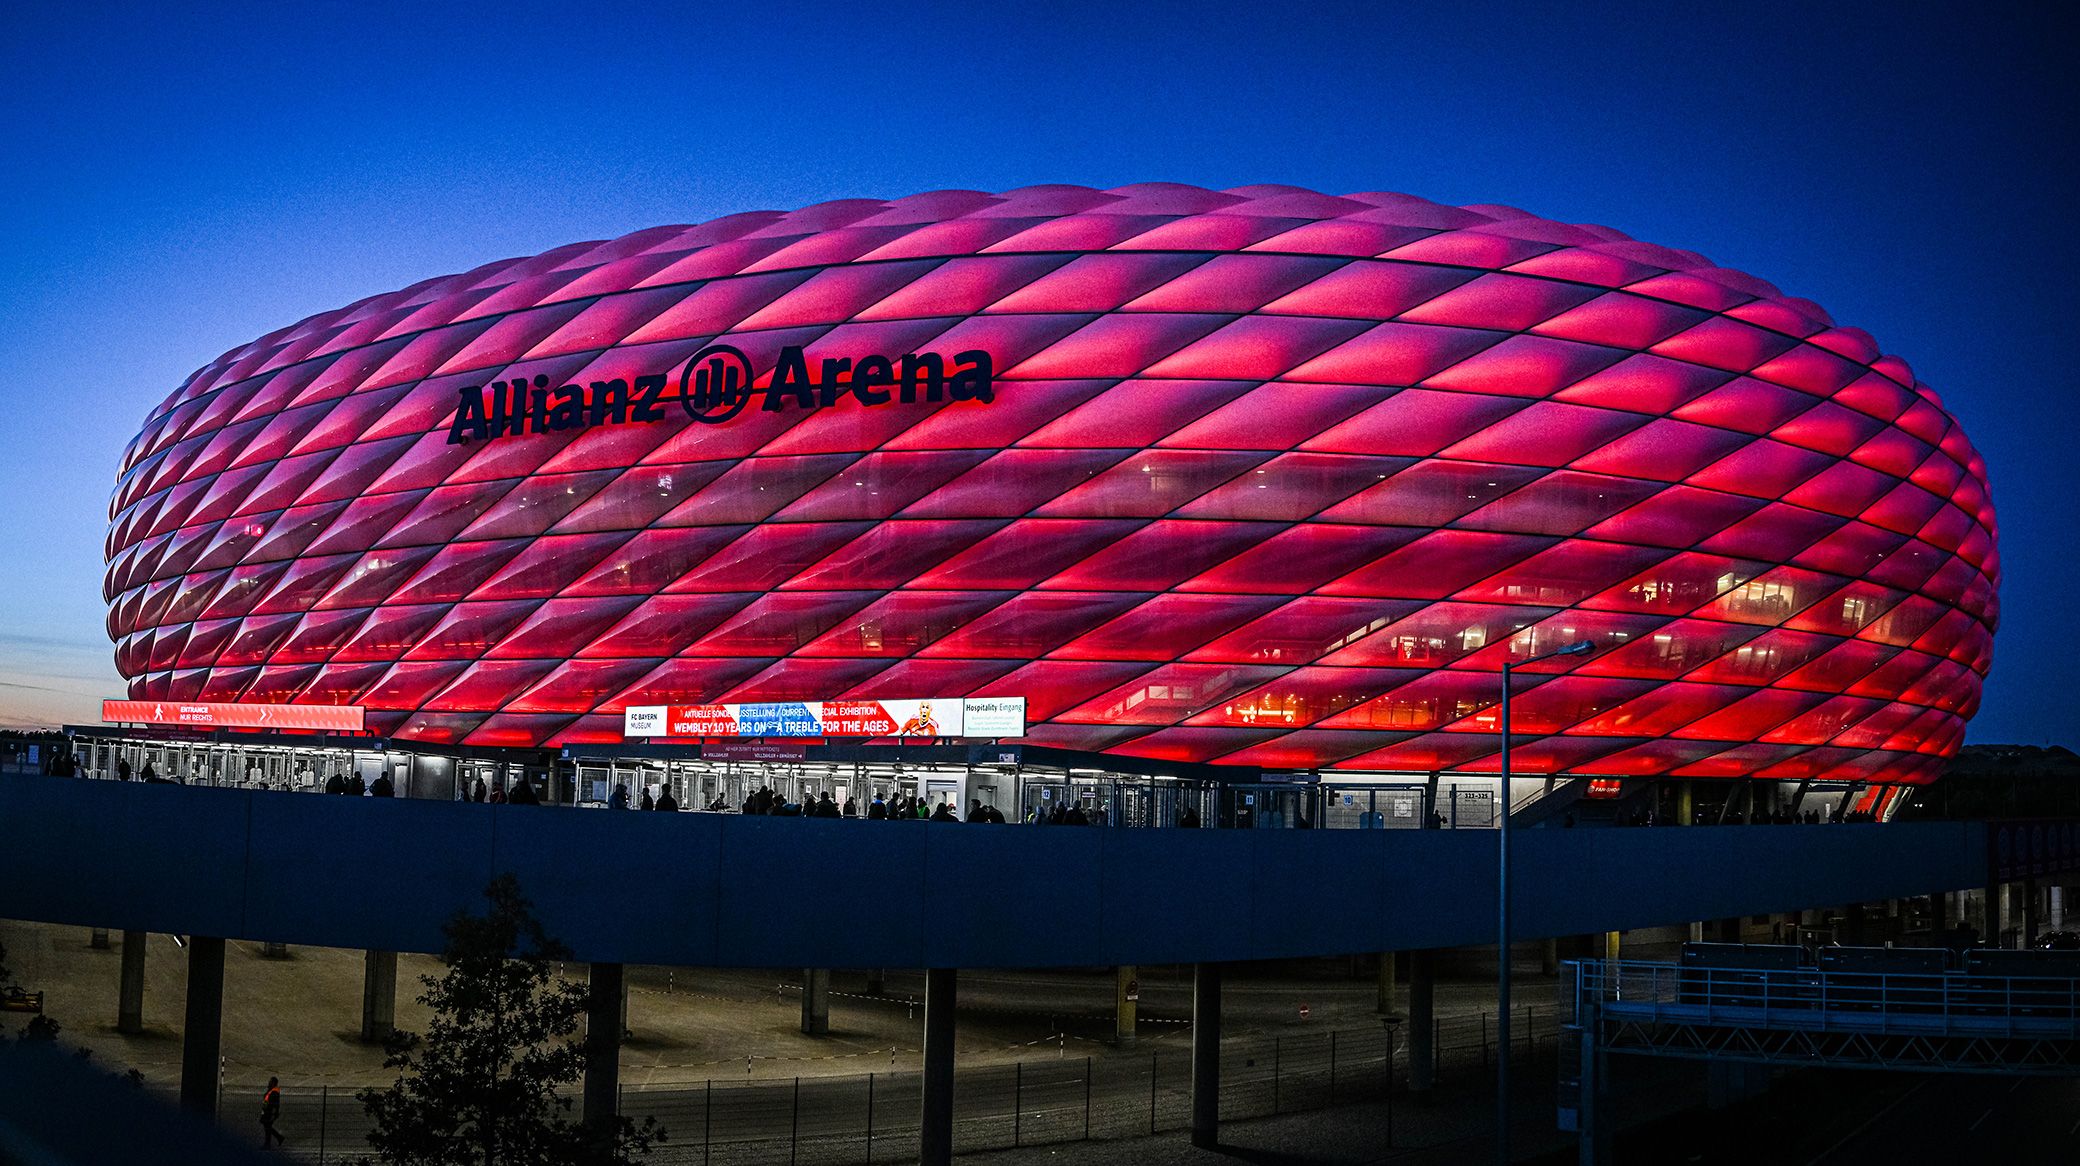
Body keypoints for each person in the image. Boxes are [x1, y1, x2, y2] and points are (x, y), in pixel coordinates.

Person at [260, 1076, 284, 1148]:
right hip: (267, 1111)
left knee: (267, 1128)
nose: (269, 1082)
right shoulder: (271, 1090)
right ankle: (279, 1138)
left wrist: (274, 1113)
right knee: (268, 1127)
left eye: (270, 1081)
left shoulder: (274, 1092)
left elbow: (275, 1104)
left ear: (273, 1083)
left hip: (269, 1112)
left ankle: (268, 1143)